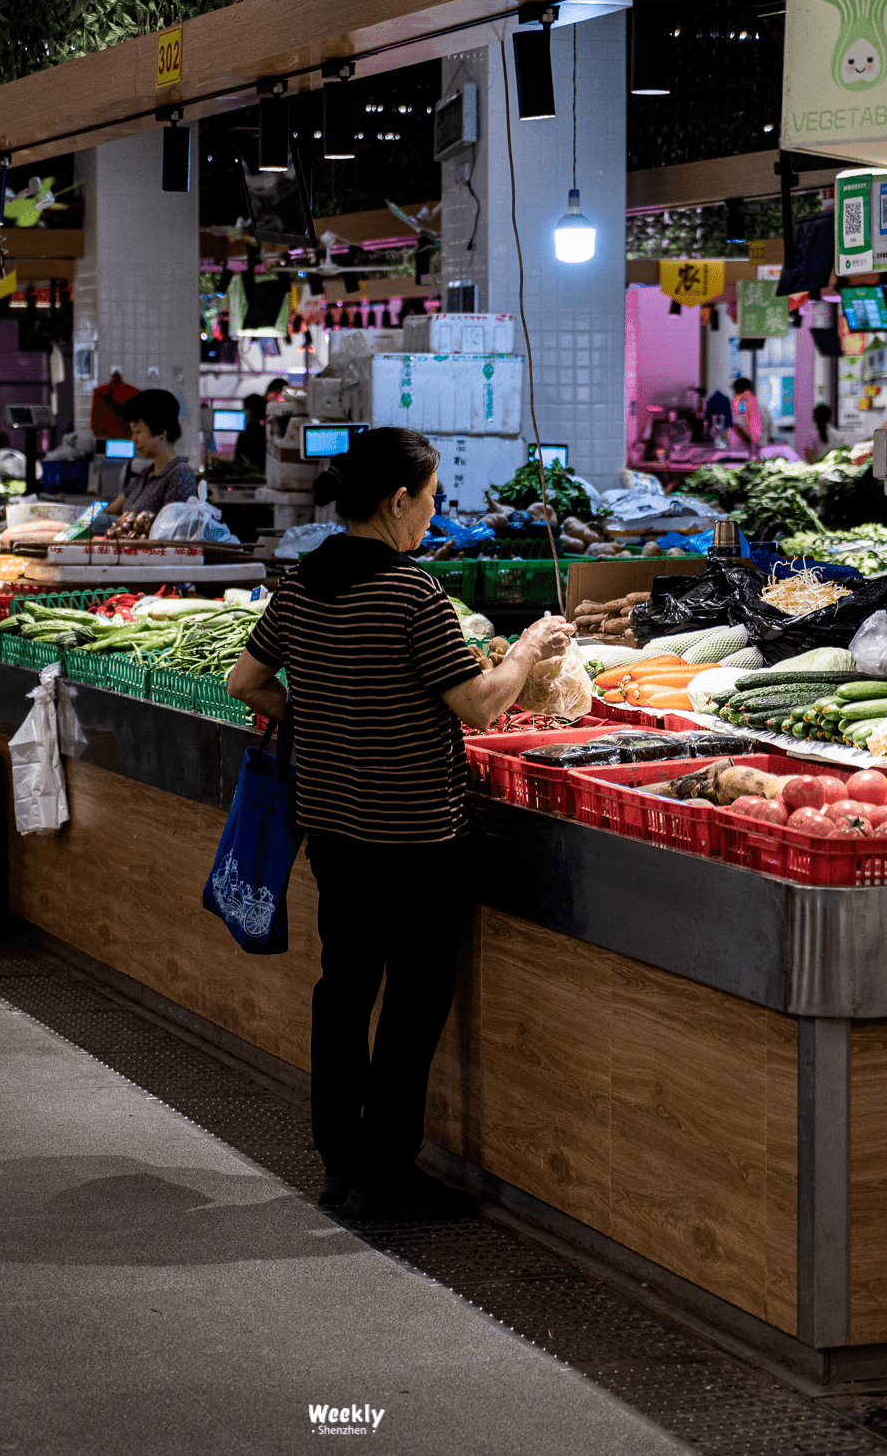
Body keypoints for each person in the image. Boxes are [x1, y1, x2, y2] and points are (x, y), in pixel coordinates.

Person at [228, 428, 576, 1222]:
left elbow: (247, 680)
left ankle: (339, 1161)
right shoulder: (409, 591)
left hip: (335, 829)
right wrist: (527, 647)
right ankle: (387, 1168)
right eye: (430, 497)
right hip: (417, 835)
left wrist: (319, 724)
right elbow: (481, 703)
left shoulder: (304, 581)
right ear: (397, 500)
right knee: (417, 997)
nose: (433, 511)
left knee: (344, 987)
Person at [103, 389, 198, 519]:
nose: (133, 439)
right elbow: (112, 511)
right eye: (132, 432)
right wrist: (78, 523)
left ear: (161, 432)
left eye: (138, 432)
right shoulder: (145, 474)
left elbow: (167, 530)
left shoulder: (180, 475)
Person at [91, 367, 140, 438]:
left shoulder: (99, 392)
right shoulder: (134, 392)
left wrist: (97, 433)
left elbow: (95, 417)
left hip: (107, 434)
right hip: (127, 435)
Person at [232, 393, 267, 472]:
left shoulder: (246, 432)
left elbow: (238, 459)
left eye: (244, 409)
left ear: (249, 411)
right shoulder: (265, 431)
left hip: (247, 477)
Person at [730, 377, 762, 454]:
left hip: (741, 444)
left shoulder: (741, 401)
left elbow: (737, 424)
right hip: (748, 443)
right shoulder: (751, 399)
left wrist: (749, 441)